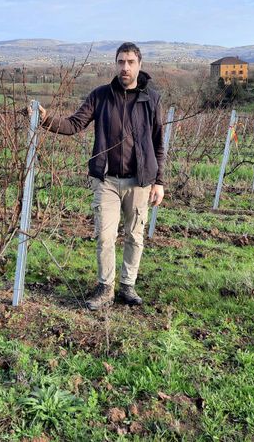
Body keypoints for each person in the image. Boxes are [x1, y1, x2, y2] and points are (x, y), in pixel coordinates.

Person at [38, 42, 165, 310]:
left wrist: (159, 182)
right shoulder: (101, 95)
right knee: (105, 237)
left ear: (139, 64)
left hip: (140, 181)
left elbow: (158, 142)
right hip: (106, 180)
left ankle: (127, 286)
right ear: (115, 64)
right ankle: (105, 288)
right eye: (121, 62)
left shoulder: (151, 99)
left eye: (130, 62)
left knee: (134, 236)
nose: (125, 67)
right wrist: (46, 119)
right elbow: (74, 124)